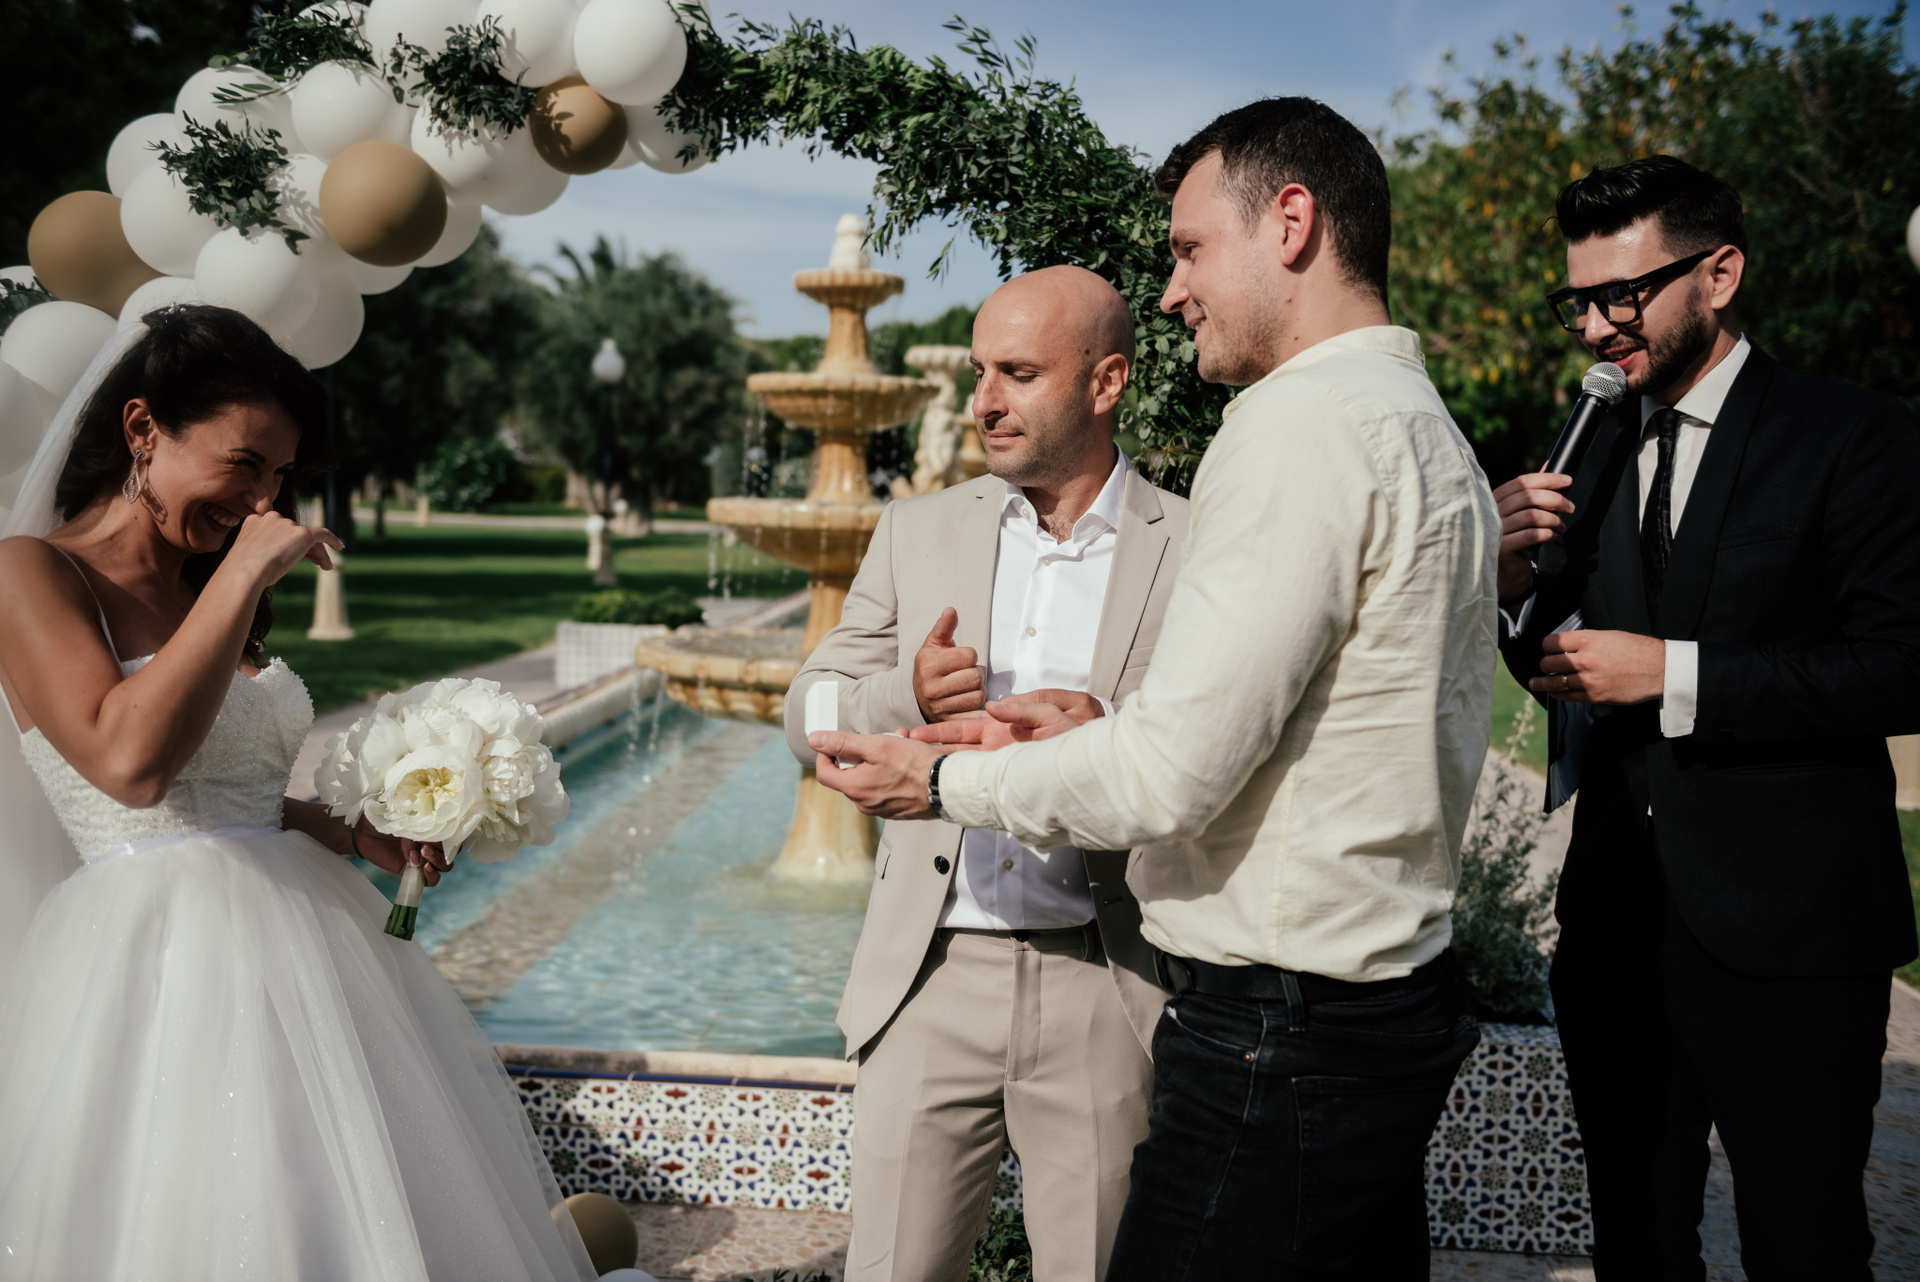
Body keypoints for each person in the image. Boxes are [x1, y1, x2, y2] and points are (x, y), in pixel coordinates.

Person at [806, 97, 1501, 1278]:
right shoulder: (1423, 426)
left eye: (1190, 249)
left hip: (1275, 1028)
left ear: (1291, 222)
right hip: (1378, 1005)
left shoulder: (1298, 429)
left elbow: (1168, 777)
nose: (1175, 289)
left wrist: (947, 776)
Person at [0, 305, 596, 1281]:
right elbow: (129, 765)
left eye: (278, 476)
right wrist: (240, 576)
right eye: (244, 464)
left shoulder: (201, 584)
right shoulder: (32, 571)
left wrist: (352, 831)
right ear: (143, 429)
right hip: (161, 968)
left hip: (311, 947)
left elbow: (227, 793)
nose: (262, 501)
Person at [1494, 156, 1920, 1279]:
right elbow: (1552, 653)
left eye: (1622, 295)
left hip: (1793, 933)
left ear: (1720, 274)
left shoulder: (1855, 433)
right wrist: (1506, 585)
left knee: (1805, 1244)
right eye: (1580, 301)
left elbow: (1900, 667)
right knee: (1635, 1239)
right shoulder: (1588, 441)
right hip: (1614, 927)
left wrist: (1674, 676)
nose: (1596, 328)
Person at [786, 265, 1187, 1282]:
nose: (985, 401)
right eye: (979, 372)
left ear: (1106, 383)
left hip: (1107, 982)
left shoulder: (1194, 543)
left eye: (1019, 373)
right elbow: (805, 715)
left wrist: (1107, 730)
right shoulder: (918, 529)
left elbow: (1216, 744)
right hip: (929, 977)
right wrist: (904, 695)